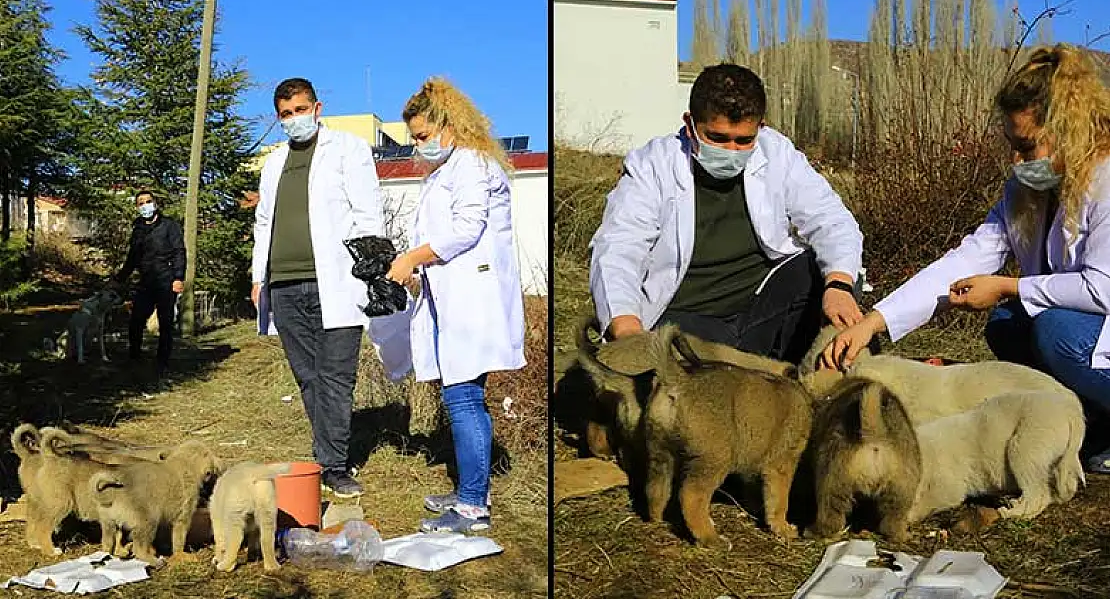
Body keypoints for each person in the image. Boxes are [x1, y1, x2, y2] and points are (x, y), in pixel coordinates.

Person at [822, 44, 1110, 472]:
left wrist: (1010, 286)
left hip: (1092, 321)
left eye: (1027, 147)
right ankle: (1089, 426)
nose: (1017, 160)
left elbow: (1102, 286)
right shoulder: (1027, 192)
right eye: (1012, 145)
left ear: (1067, 130)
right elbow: (966, 259)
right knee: (1009, 324)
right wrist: (872, 322)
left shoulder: (1105, 180)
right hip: (1083, 321)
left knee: (1053, 329)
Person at [589, 63, 865, 363]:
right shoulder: (652, 166)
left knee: (830, 273)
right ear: (690, 124)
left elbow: (832, 221)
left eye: (743, 140)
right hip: (685, 322)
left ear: (761, 128)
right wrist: (629, 332)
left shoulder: (777, 153)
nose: (731, 150)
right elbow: (618, 247)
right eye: (717, 138)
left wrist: (838, 286)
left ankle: (787, 380)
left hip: (759, 313)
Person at [385, 77, 525, 533]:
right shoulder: (448, 169)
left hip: (474, 300)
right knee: (462, 396)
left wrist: (413, 258)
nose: (419, 146)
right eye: (415, 139)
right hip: (454, 297)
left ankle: (472, 507)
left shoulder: (470, 163)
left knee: (463, 398)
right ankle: (472, 489)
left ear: (449, 125)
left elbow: (466, 228)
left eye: (423, 136)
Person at [250, 77, 386, 498]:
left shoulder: (347, 149)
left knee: (337, 375)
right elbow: (264, 222)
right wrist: (258, 278)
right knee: (308, 377)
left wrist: (372, 272)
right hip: (285, 284)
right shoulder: (274, 163)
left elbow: (368, 213)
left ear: (317, 107)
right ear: (279, 117)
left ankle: (334, 465)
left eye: (301, 110)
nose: (294, 119)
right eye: (286, 114)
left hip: (337, 281)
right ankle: (327, 452)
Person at [114, 190, 185, 380]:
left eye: (148, 201)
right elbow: (133, 257)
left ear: (155, 203)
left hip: (166, 280)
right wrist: (120, 277)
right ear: (137, 207)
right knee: (136, 320)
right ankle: (134, 357)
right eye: (141, 203)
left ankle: (163, 362)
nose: (145, 205)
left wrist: (178, 277)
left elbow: (179, 252)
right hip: (146, 281)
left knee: (165, 323)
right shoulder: (137, 229)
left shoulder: (170, 226)